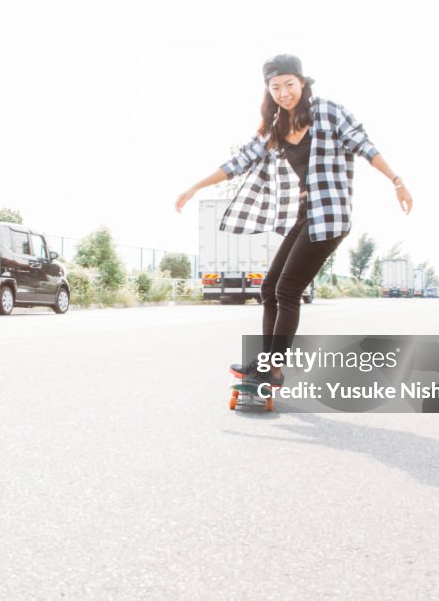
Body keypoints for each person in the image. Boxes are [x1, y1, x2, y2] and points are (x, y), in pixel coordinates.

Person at [175, 54, 413, 386]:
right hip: (305, 215)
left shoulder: (328, 112)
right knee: (270, 286)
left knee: (287, 290)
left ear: (302, 82)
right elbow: (240, 160)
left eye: (289, 84)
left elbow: (364, 145)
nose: (284, 92)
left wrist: (397, 181)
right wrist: (195, 186)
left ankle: (271, 370)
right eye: (275, 87)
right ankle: (267, 364)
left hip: (330, 215)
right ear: (268, 91)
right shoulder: (277, 128)